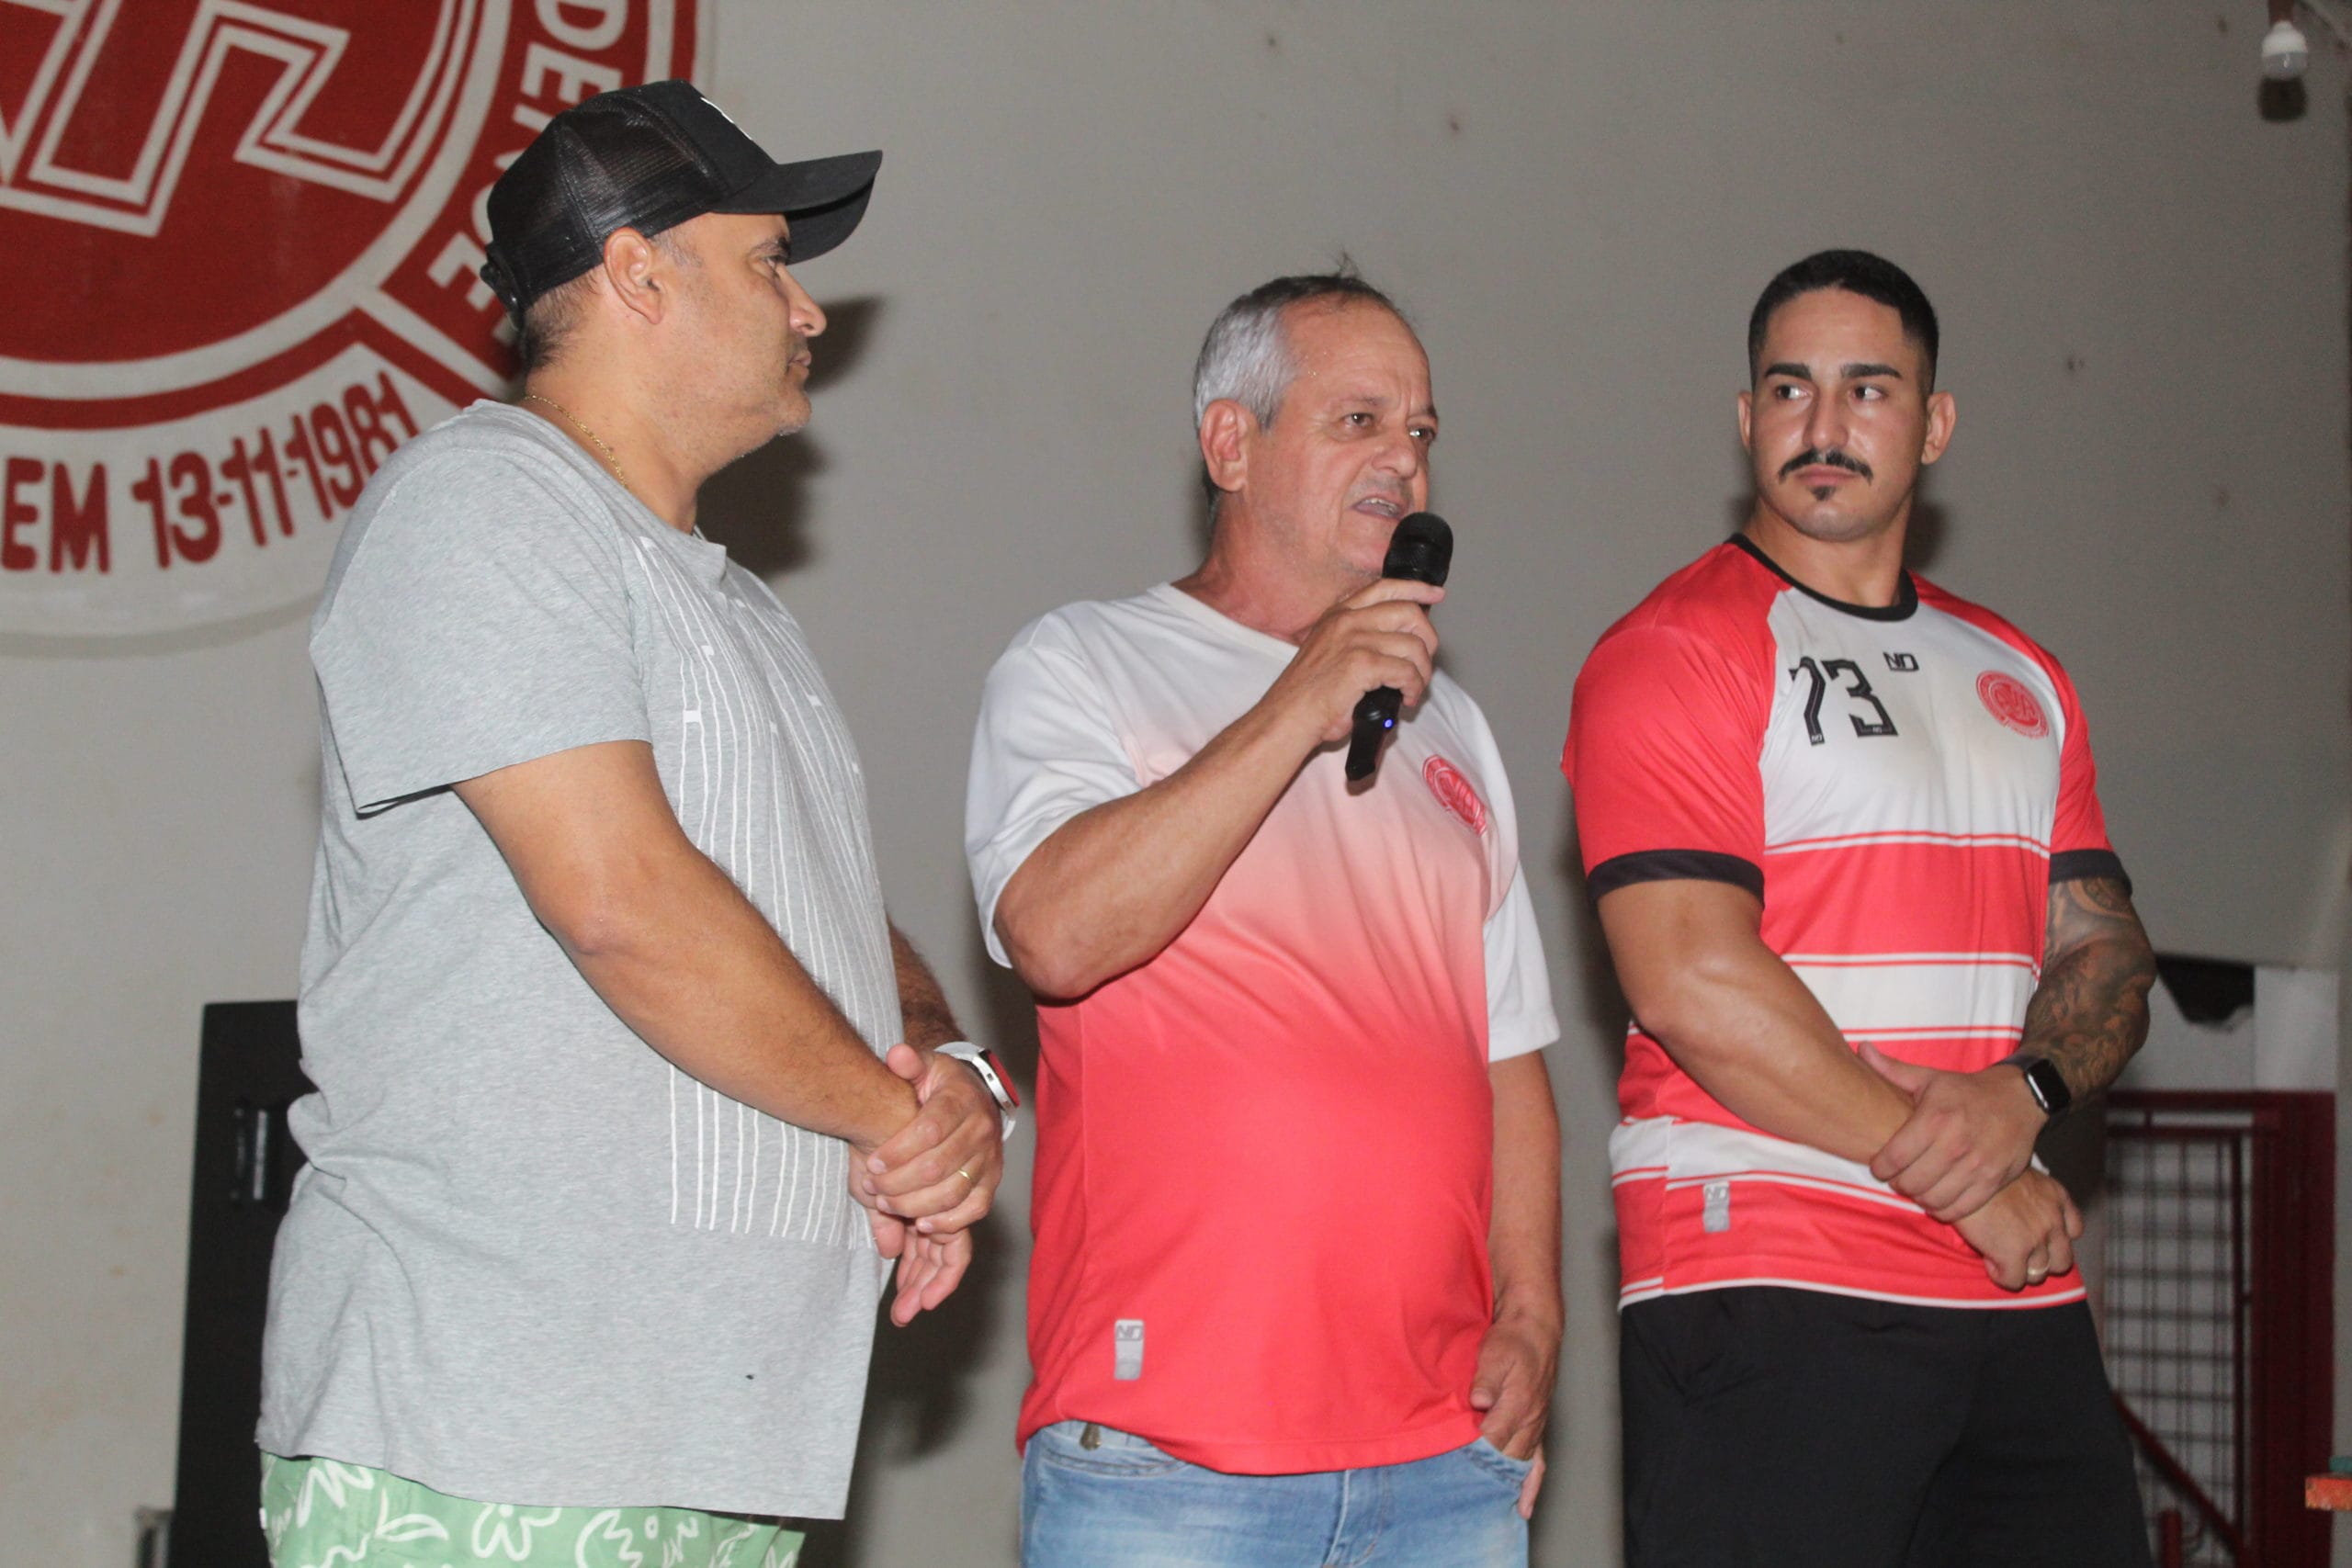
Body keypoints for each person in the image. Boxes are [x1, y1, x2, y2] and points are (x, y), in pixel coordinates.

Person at [256, 81, 1016, 1568]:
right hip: (485, 1438)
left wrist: (951, 1083)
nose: (808, 310)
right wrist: (890, 1124)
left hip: (713, 1446)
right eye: (769, 262)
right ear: (637, 272)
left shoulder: (742, 611)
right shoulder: (483, 506)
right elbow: (623, 901)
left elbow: (828, 927)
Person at [1564, 249, 2157, 1567]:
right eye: (1791, 390)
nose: (1823, 425)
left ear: (1934, 426)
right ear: (1747, 419)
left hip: (2012, 1282)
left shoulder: (2020, 673)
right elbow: (1691, 982)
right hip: (1773, 1269)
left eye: (1868, 390)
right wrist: (1963, 1173)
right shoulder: (1675, 650)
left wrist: (2025, 1099)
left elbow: (2106, 950)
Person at [967, 271, 1563, 1568]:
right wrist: (1297, 704)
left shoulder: (1455, 728)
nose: (1404, 461)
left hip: (1443, 1468)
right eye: (1360, 422)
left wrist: (1532, 1312)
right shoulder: (1082, 663)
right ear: (1230, 443)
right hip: (1166, 1464)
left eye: (1421, 431)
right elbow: (1056, 935)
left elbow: (1508, 1056)